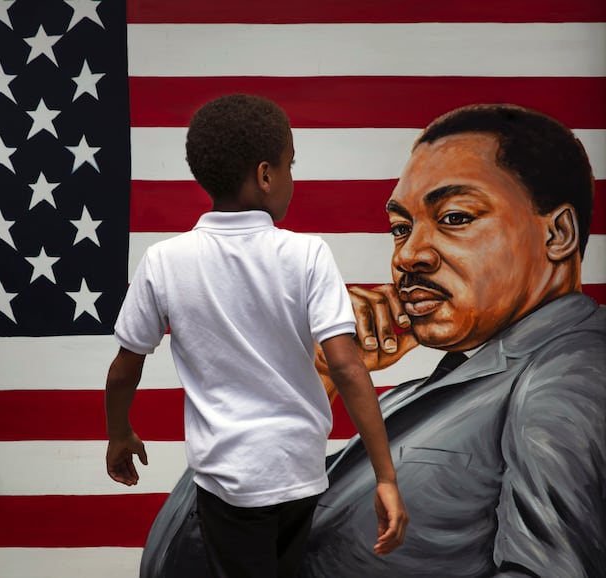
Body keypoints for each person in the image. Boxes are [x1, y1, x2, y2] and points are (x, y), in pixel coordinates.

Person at [140, 103, 605, 578]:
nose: (408, 255)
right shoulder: (440, 388)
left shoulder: (569, 372)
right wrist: (315, 374)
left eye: (455, 217)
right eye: (401, 228)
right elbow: (184, 559)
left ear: (558, 234)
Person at [105, 93, 408, 578]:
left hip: (228, 478)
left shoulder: (164, 261)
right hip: (299, 471)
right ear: (266, 175)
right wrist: (385, 477)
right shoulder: (307, 254)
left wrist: (120, 432)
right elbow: (347, 367)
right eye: (290, 165)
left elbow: (125, 369)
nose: (292, 179)